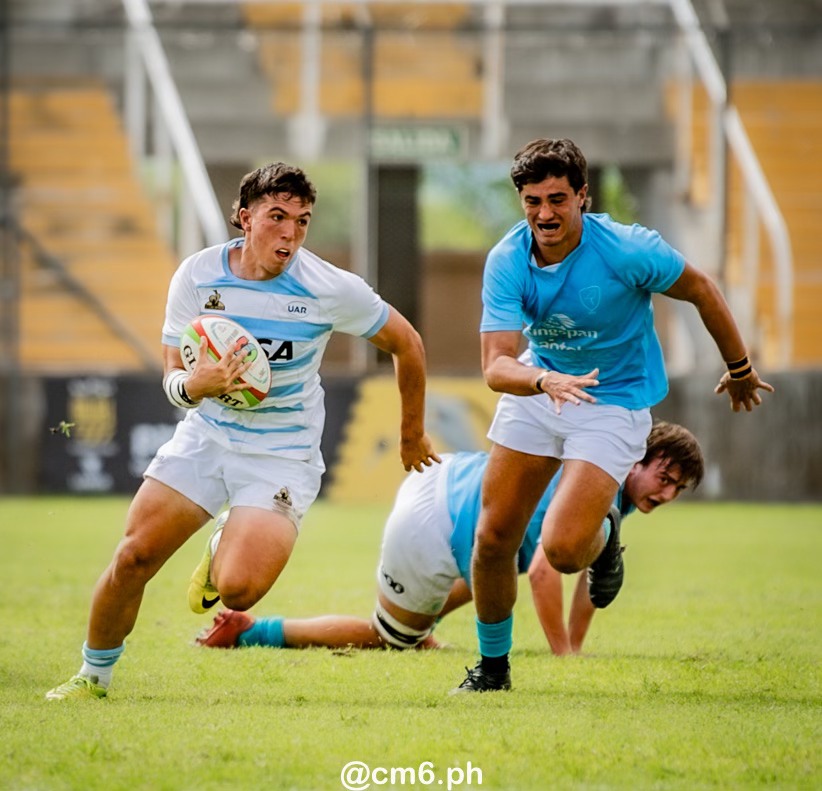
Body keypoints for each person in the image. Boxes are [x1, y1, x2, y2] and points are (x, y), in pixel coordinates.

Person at [46, 162, 439, 700]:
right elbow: (172, 375)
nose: (291, 233)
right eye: (277, 217)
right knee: (134, 555)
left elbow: (408, 343)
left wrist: (411, 433)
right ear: (244, 217)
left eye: (302, 221)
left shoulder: (328, 287)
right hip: (207, 436)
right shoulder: (196, 275)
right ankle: (92, 677)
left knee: (239, 589)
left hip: (281, 455)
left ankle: (223, 542)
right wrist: (196, 385)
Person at [456, 137, 773, 693]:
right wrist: (543, 379)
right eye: (532, 201)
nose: (544, 213)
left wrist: (740, 366)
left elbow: (701, 289)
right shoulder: (507, 260)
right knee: (492, 538)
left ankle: (605, 535)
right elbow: (496, 365)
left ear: (582, 195)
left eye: (557, 199)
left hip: (615, 401)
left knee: (561, 550)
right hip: (544, 385)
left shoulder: (628, 249)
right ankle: (492, 670)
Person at [195, 421, 703, 657]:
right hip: (437, 520)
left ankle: (425, 620)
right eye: (665, 477)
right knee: (388, 637)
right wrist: (564, 655)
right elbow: (551, 573)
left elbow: (590, 575)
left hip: (448, 482)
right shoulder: (599, 485)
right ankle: (250, 630)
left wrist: (577, 645)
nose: (669, 492)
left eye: (679, 488)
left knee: (508, 559)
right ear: (636, 458)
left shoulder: (607, 486)